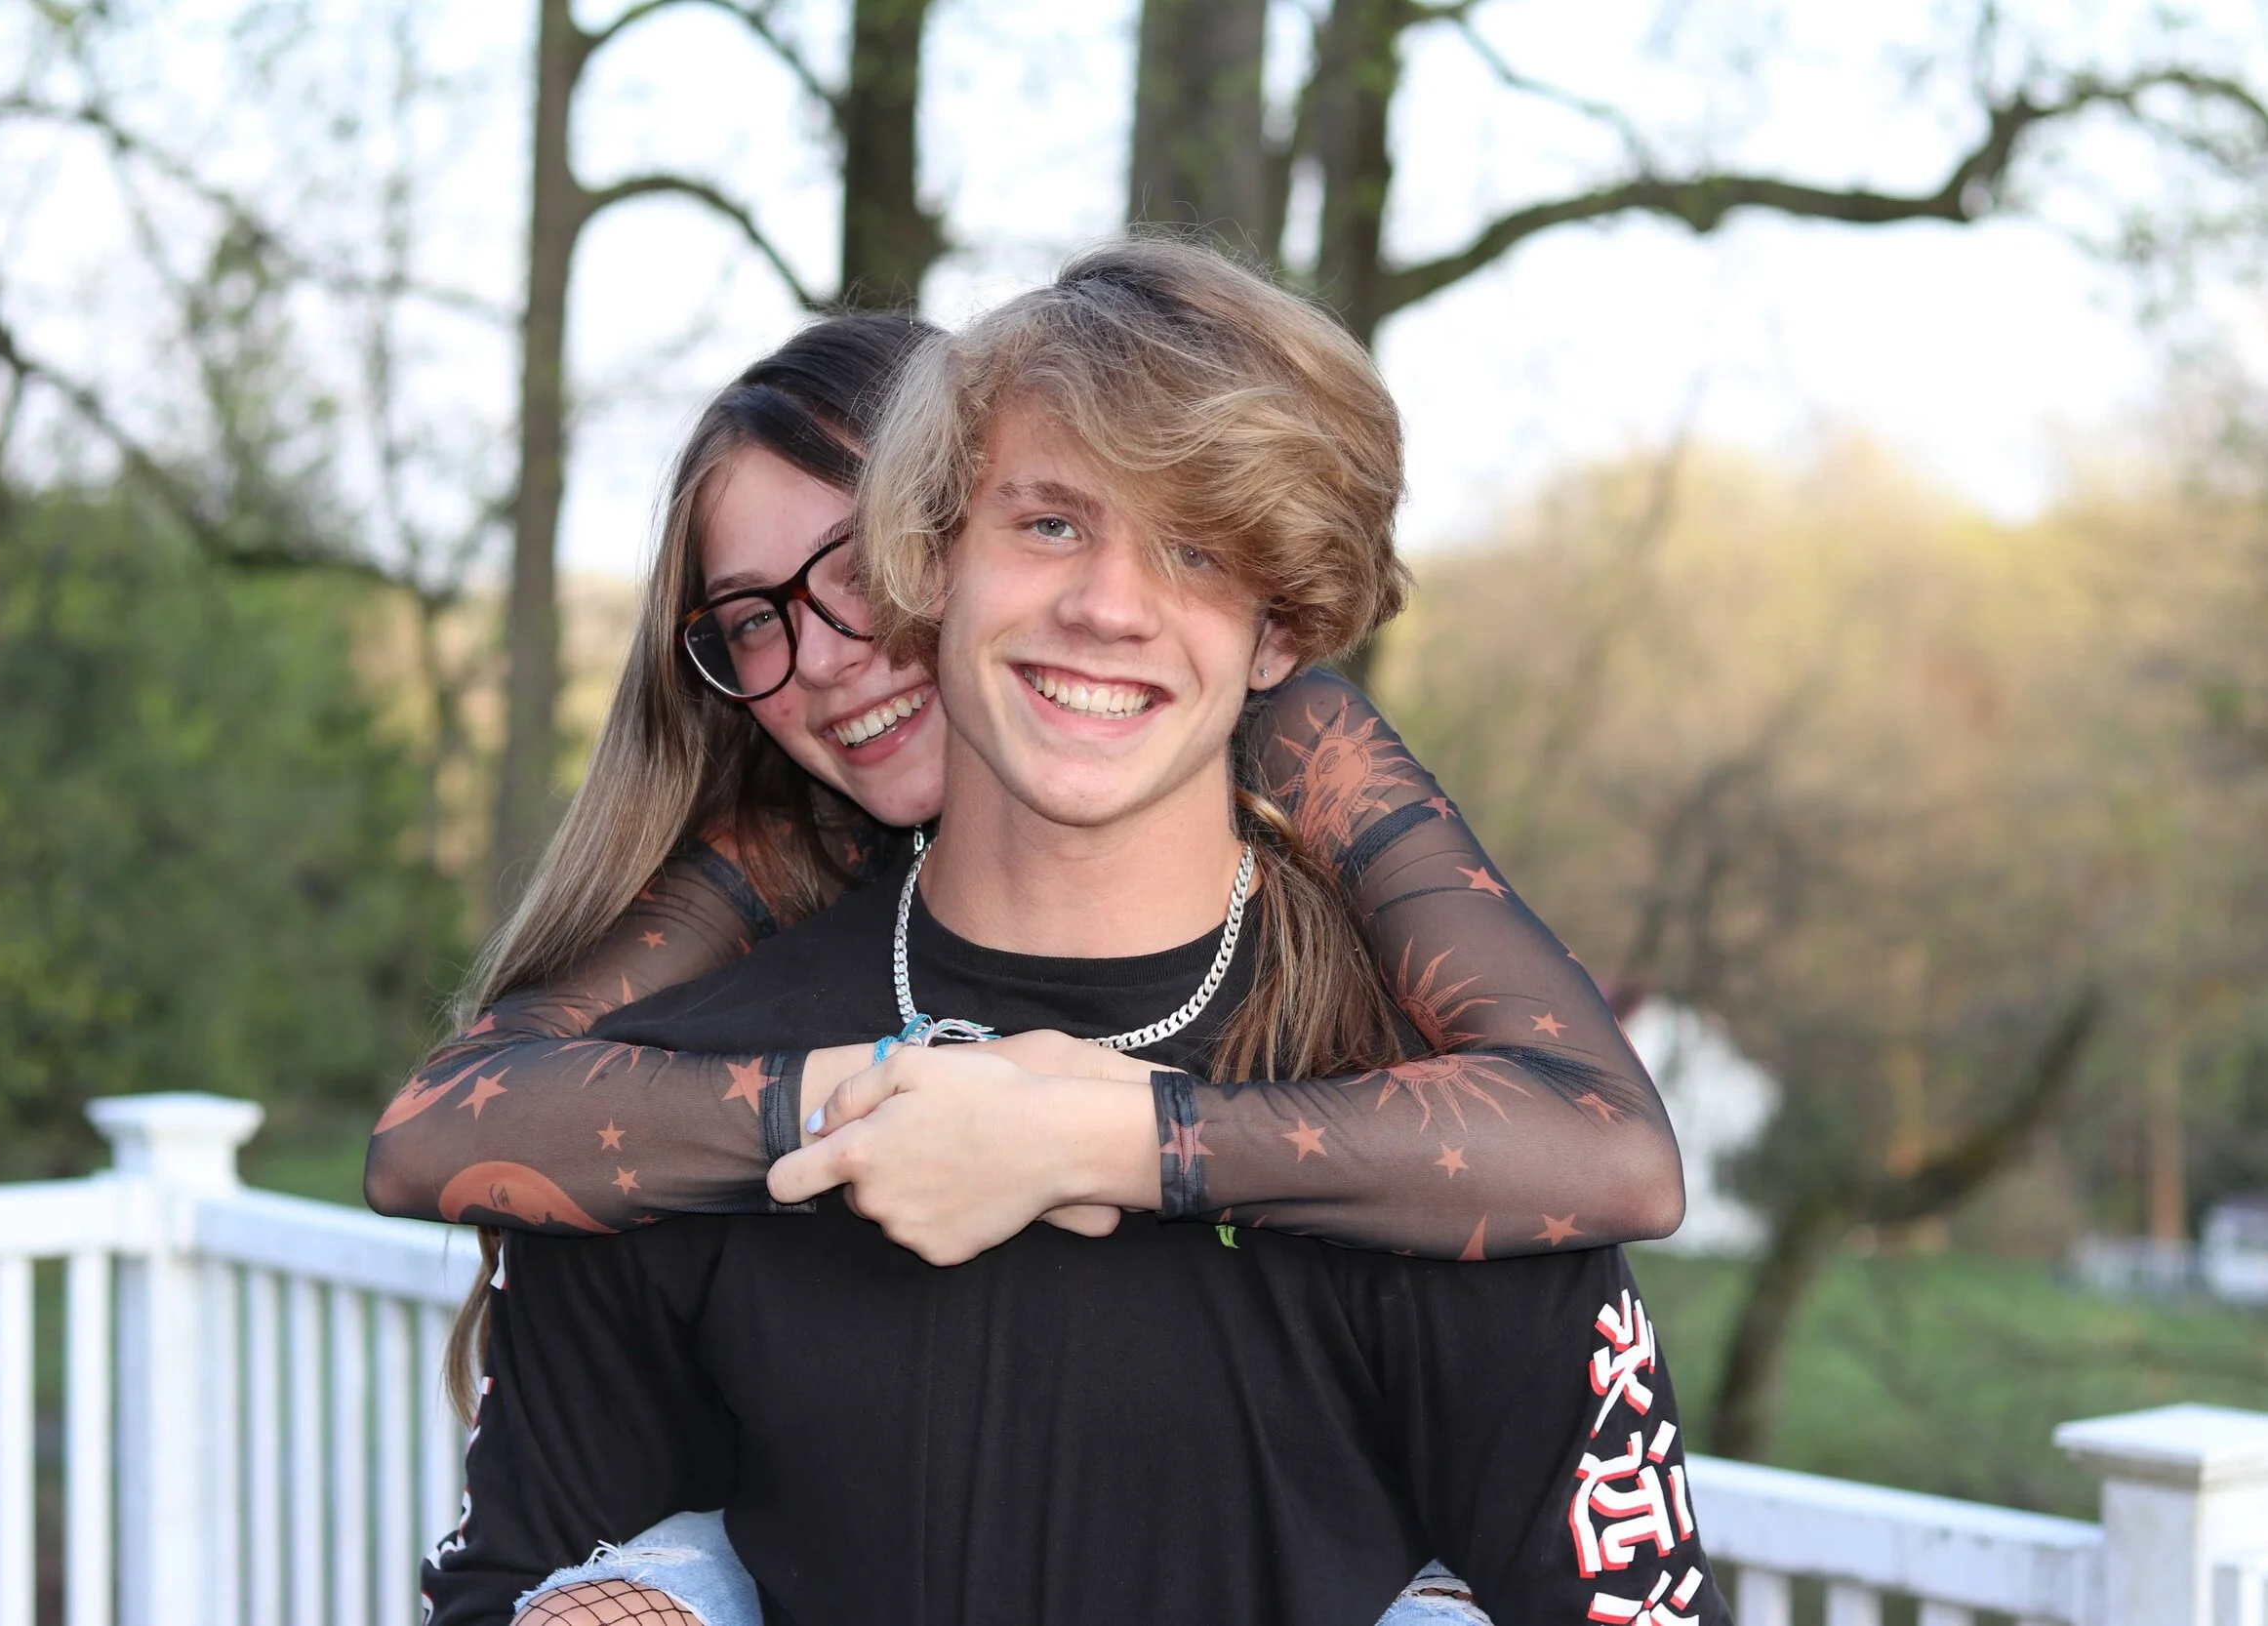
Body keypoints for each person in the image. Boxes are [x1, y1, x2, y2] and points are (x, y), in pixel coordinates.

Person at [421, 240, 1722, 1626]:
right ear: (931, 559)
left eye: (1195, 547)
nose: (1110, 605)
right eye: (1049, 523)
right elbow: (505, 1579)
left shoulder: (1456, 1148)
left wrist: (1133, 1141)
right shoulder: (675, 1097)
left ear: (1279, 629)